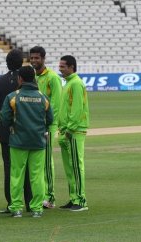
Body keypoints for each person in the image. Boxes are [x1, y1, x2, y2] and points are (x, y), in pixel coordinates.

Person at [0, 66, 53, 218]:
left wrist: (12, 126)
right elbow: (50, 120)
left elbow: (4, 118)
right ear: (34, 79)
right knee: (36, 176)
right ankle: (36, 208)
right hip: (38, 142)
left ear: (20, 79)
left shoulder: (12, 97)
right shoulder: (43, 97)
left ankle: (16, 208)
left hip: (18, 142)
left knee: (17, 175)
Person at [0, 49, 32, 213]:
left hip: (6, 131)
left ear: (7, 63)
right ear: (21, 63)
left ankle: (12, 203)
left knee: (9, 169)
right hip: (26, 130)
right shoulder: (28, 80)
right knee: (27, 167)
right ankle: (30, 202)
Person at [30, 46, 62, 208]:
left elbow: (55, 104)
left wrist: (48, 125)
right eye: (32, 58)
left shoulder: (52, 78)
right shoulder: (31, 77)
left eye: (37, 58)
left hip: (47, 125)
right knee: (37, 162)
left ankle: (50, 197)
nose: (34, 61)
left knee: (47, 161)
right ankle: (40, 195)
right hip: (35, 125)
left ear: (43, 58)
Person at [58, 55, 89, 211]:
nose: (60, 69)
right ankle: (73, 197)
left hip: (74, 131)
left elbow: (77, 109)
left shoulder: (76, 84)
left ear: (71, 67)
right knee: (70, 167)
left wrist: (70, 129)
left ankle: (81, 200)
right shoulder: (68, 83)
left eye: (63, 66)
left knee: (76, 165)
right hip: (66, 131)